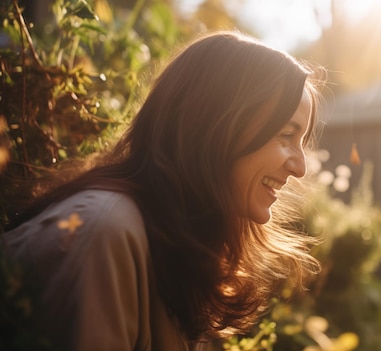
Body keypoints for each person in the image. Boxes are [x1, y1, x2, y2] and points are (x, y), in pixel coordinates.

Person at [2, 31, 325, 350]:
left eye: (301, 143)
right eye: (285, 135)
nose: (300, 167)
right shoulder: (102, 236)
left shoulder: (186, 246)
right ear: (216, 126)